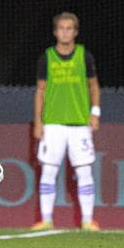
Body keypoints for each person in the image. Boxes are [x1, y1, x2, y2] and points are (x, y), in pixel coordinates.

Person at [31, 12, 102, 232]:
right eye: (61, 28)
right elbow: (40, 90)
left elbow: (93, 85)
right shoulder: (47, 57)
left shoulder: (84, 56)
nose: (65, 32)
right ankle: (46, 219)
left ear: (76, 31)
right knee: (49, 171)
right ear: (55, 32)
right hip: (53, 124)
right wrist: (38, 122)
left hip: (80, 123)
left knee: (84, 172)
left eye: (69, 28)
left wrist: (95, 113)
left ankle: (88, 220)